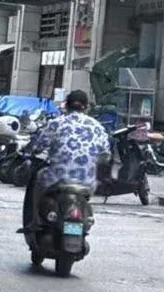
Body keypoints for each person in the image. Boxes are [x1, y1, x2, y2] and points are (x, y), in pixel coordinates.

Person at [22, 89, 110, 232]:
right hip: (87, 182)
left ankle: (36, 221)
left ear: (66, 105)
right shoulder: (97, 127)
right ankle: (83, 224)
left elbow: (37, 146)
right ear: (87, 107)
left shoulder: (56, 123)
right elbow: (105, 155)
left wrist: (29, 151)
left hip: (57, 178)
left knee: (38, 178)